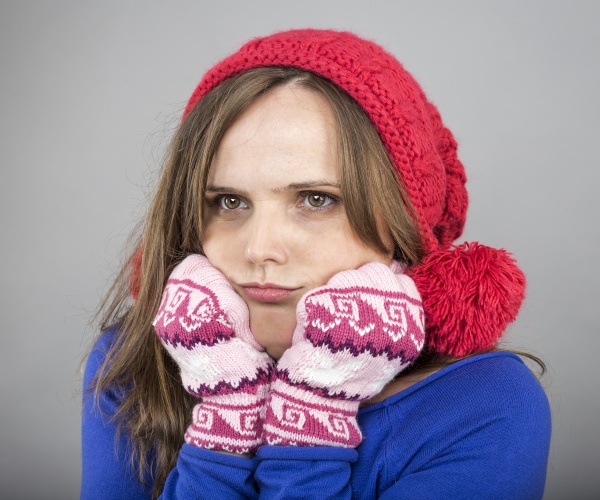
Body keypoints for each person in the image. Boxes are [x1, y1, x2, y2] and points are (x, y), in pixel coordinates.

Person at [81, 29, 551, 499]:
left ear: (404, 220)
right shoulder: (132, 362)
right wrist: (226, 415)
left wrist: (311, 418)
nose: (261, 248)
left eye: (316, 199)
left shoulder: (486, 404)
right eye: (229, 201)